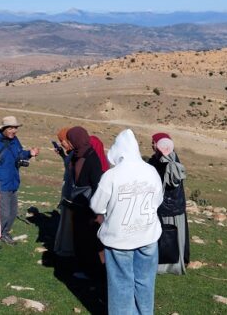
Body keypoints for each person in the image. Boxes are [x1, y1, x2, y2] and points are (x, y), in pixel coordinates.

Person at [90, 129, 163, 315]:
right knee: (145, 281)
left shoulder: (112, 176)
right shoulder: (151, 170)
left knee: (121, 283)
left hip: (119, 238)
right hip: (148, 235)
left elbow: (97, 206)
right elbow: (158, 200)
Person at [0, 116, 39, 248]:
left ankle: (4, 233)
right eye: (11, 128)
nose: (14, 131)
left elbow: (18, 154)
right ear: (4, 129)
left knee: (12, 212)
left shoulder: (14, 140)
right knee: (2, 212)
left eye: (15, 128)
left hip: (12, 182)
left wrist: (29, 153)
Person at [148, 133, 190, 275]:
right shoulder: (158, 159)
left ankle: (170, 265)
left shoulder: (169, 161)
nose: (152, 145)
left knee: (169, 235)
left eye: (154, 142)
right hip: (170, 205)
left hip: (168, 205)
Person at [66, 126, 105, 279]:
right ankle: (82, 267)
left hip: (89, 206)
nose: (69, 143)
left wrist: (96, 208)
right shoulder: (77, 155)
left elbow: (96, 184)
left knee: (89, 238)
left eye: (71, 140)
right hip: (79, 204)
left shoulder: (91, 157)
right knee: (80, 237)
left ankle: (91, 270)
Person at [53, 127, 75, 258]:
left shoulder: (76, 154)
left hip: (71, 191)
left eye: (63, 141)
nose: (61, 143)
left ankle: (67, 248)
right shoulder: (71, 153)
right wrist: (62, 154)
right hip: (68, 189)